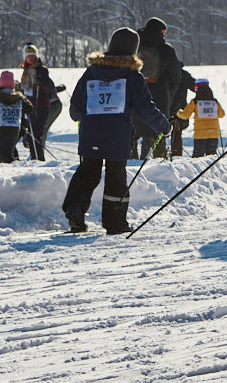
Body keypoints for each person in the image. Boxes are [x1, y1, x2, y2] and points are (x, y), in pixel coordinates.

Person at [63, 28, 172, 234]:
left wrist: (80, 117)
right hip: (117, 135)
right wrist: (164, 126)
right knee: (116, 177)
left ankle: (75, 209)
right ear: (133, 49)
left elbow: (76, 106)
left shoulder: (91, 72)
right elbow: (145, 108)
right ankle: (115, 223)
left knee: (88, 172)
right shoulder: (132, 76)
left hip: (90, 133)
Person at [134, 17, 183, 159]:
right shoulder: (166, 49)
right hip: (160, 96)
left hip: (135, 94)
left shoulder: (135, 47)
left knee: (132, 131)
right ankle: (157, 164)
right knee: (157, 132)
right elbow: (176, 76)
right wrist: (170, 94)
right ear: (160, 32)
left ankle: (131, 163)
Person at [19, 44, 62, 161]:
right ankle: (35, 157)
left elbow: (48, 86)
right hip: (30, 105)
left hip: (41, 105)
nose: (31, 58)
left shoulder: (41, 69)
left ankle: (38, 158)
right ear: (25, 57)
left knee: (36, 133)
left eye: (33, 56)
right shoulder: (26, 70)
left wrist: (41, 83)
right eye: (29, 56)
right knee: (31, 133)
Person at [176, 77, 224, 157]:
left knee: (197, 157)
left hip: (200, 135)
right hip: (214, 134)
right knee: (212, 157)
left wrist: (178, 111)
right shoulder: (214, 102)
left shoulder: (195, 102)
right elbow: (222, 115)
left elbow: (185, 115)